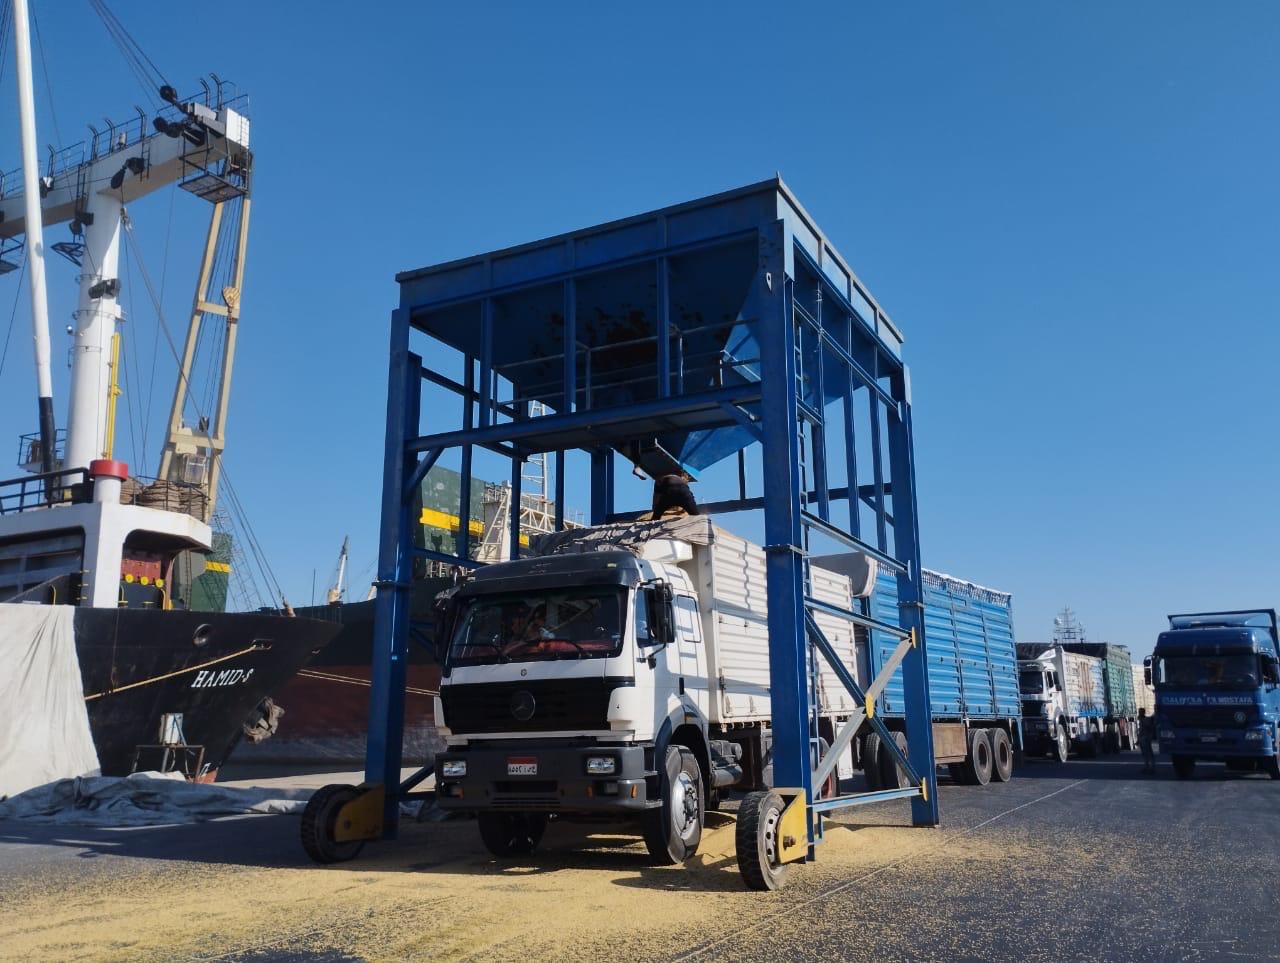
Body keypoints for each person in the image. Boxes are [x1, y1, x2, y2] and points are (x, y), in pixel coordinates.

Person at [1137, 707, 1157, 774]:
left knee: (1147, 753)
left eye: (1140, 712)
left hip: (1145, 738)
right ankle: (1148, 767)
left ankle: (1151, 767)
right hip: (1144, 738)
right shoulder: (1143, 720)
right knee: (1145, 753)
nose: (1139, 713)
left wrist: (1148, 737)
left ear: (1142, 713)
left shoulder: (1145, 720)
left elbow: (1147, 729)